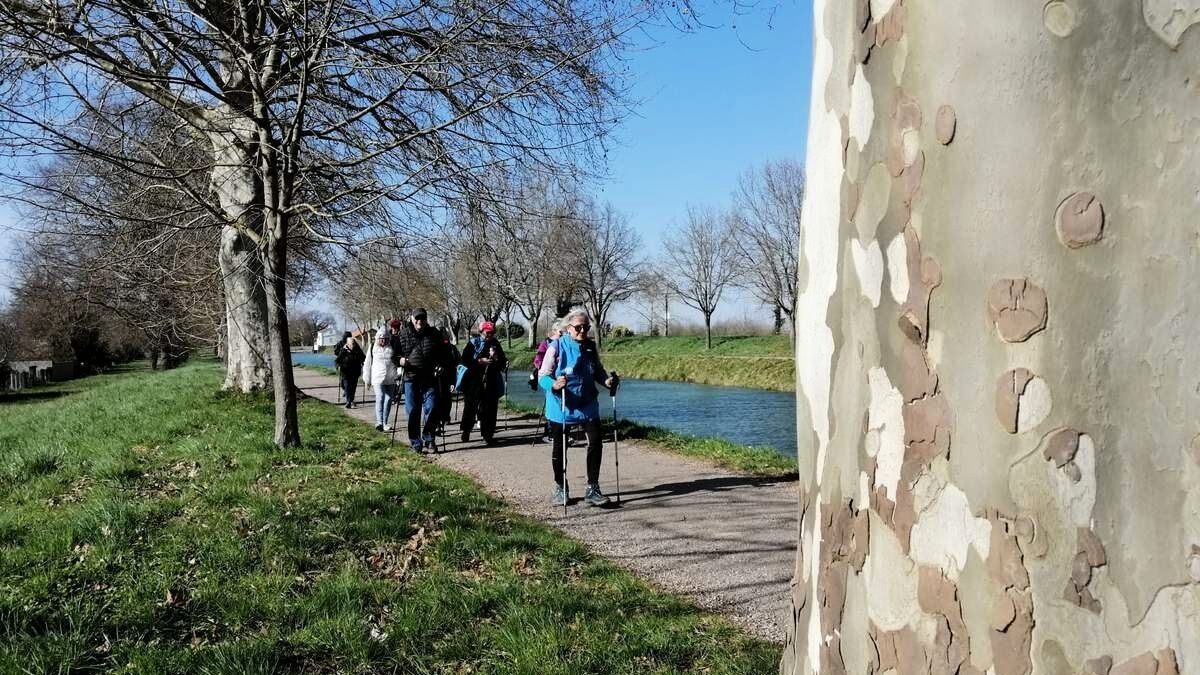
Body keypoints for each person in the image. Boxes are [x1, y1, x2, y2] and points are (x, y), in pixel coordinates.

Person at [538, 308, 618, 507]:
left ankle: (593, 488)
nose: (582, 330)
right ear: (568, 328)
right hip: (561, 404)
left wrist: (607, 381)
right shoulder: (556, 347)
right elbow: (543, 376)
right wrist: (554, 384)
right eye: (578, 327)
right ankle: (560, 487)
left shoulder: (590, 347)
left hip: (588, 403)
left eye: (586, 327)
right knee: (560, 447)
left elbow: (597, 371)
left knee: (596, 442)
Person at [394, 307, 448, 453]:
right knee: (413, 411)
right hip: (410, 378)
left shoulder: (434, 334)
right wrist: (400, 361)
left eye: (422, 318)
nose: (420, 321)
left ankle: (429, 439)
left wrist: (441, 366)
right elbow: (394, 356)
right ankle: (415, 443)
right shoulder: (403, 334)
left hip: (430, 378)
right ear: (412, 319)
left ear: (426, 319)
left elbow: (444, 355)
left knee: (432, 407)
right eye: (417, 318)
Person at [459, 320, 508, 445]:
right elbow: (464, 361)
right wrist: (479, 361)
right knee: (470, 407)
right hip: (473, 380)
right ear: (481, 331)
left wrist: (497, 358)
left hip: (491, 380)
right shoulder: (473, 343)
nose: (490, 335)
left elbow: (502, 363)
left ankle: (488, 435)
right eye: (488, 333)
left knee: (490, 409)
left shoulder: (496, 344)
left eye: (492, 333)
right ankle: (466, 430)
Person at [532, 322, 563, 442]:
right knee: (552, 404)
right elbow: (538, 360)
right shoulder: (546, 344)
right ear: (555, 331)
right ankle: (550, 433)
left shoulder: (566, 343)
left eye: (565, 331)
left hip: (563, 378)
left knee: (564, 405)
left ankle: (564, 432)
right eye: (561, 332)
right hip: (549, 378)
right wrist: (546, 367)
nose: (563, 334)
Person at [371, 329, 398, 431]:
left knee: (388, 400)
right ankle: (379, 422)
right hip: (377, 378)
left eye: (385, 339)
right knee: (380, 397)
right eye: (381, 339)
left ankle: (385, 422)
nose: (383, 341)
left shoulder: (392, 348)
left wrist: (397, 375)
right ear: (377, 339)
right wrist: (367, 379)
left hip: (390, 378)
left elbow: (396, 361)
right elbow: (368, 364)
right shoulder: (372, 349)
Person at [334, 335, 366, 408]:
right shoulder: (343, 351)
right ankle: (349, 401)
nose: (353, 345)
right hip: (345, 372)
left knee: (353, 387)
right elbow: (337, 360)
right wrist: (337, 366)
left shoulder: (358, 350)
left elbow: (364, 358)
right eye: (351, 344)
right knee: (347, 386)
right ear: (347, 344)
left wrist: (364, 363)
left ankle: (350, 400)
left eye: (354, 343)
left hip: (355, 372)